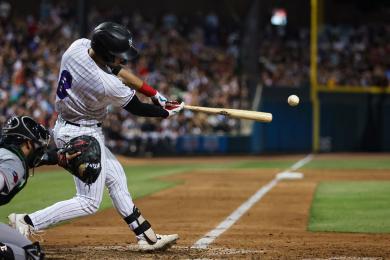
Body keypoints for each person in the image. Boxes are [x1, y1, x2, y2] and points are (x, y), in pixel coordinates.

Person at [9, 22, 183, 252]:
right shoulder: (104, 83)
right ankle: (27, 221)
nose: (124, 60)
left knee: (117, 178)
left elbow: (116, 70)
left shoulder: (78, 47)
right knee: (89, 202)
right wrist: (165, 112)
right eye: (119, 56)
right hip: (81, 134)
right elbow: (137, 108)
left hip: (72, 127)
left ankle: (147, 237)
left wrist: (154, 94)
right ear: (108, 54)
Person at [0, 115, 79, 260]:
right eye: (38, 146)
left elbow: (38, 159)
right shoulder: (14, 162)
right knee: (27, 256)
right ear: (27, 144)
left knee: (31, 251)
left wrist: (58, 156)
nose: (39, 151)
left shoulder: (6, 154)